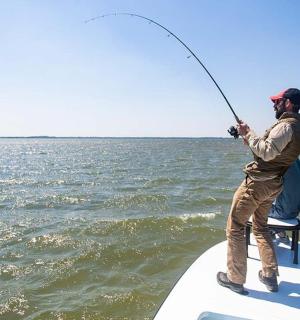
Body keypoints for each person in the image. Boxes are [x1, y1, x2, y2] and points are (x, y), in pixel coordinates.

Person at [217, 88, 300, 294]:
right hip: (273, 185)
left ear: (288, 103)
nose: (274, 105)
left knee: (235, 226)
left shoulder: (286, 126)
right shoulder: (297, 128)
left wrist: (249, 134)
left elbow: (266, 152)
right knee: (261, 228)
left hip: (257, 184)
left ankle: (235, 279)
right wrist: (247, 133)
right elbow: (270, 151)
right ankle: (269, 276)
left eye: (278, 101)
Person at [269, 158, 300, 243]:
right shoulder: (294, 159)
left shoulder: (278, 162)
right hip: (295, 212)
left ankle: (269, 234)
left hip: (284, 213)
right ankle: (281, 234)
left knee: (252, 206)